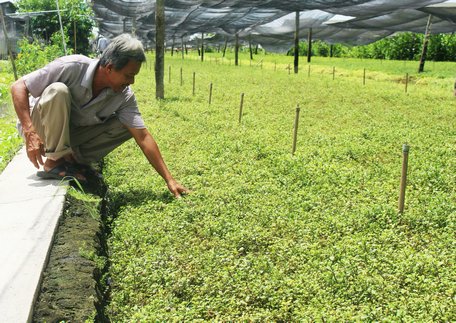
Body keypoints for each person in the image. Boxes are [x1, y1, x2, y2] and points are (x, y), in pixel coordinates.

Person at [11, 33, 188, 198]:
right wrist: (30, 131)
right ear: (110, 68)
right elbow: (18, 86)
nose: (131, 82)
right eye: (128, 75)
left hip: (71, 134)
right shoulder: (72, 67)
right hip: (42, 129)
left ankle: (74, 161)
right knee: (58, 91)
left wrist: (169, 180)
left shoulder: (123, 96)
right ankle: (54, 162)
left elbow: (143, 137)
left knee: (126, 125)